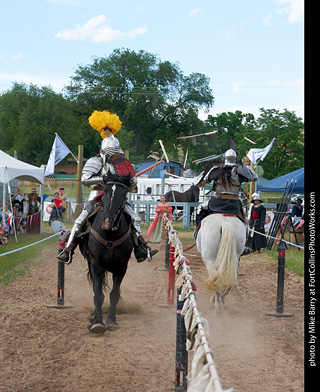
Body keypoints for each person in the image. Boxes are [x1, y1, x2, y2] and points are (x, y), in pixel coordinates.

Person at [57, 109, 158, 264]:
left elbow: (131, 184)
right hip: (97, 197)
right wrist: (105, 180)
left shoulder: (121, 164)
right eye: (112, 154)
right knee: (80, 221)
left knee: (135, 218)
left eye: (116, 154)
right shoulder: (94, 161)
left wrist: (131, 182)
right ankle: (68, 250)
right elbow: (84, 179)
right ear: (105, 151)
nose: (114, 157)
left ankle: (140, 248)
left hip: (117, 198)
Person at [196, 150, 258, 223]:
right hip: (234, 204)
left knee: (200, 208)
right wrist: (247, 165)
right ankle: (246, 234)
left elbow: (199, 184)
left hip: (217, 202)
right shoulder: (240, 172)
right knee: (245, 221)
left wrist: (205, 173)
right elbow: (254, 177)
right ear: (235, 159)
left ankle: (197, 231)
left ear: (224, 159)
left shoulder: (217, 171)